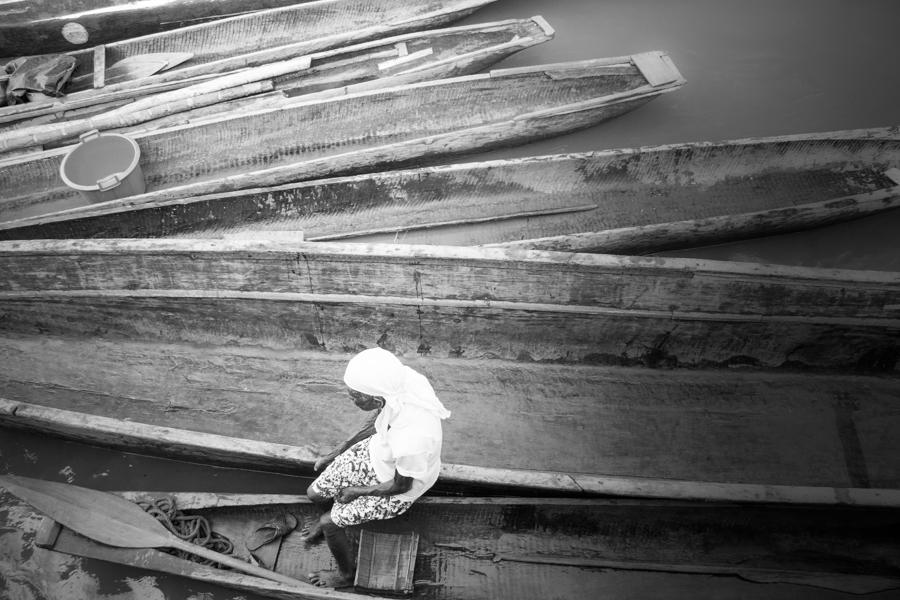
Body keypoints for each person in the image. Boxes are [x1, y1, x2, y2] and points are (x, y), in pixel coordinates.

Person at [302, 347, 450, 588]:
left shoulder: (413, 439)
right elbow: (378, 418)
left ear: (376, 398)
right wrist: (338, 450)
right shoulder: (397, 385)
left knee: (330, 522)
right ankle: (334, 519)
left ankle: (346, 576)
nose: (351, 399)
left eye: (355, 396)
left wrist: (356, 491)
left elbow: (401, 485)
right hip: (380, 453)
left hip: (397, 486)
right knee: (314, 494)